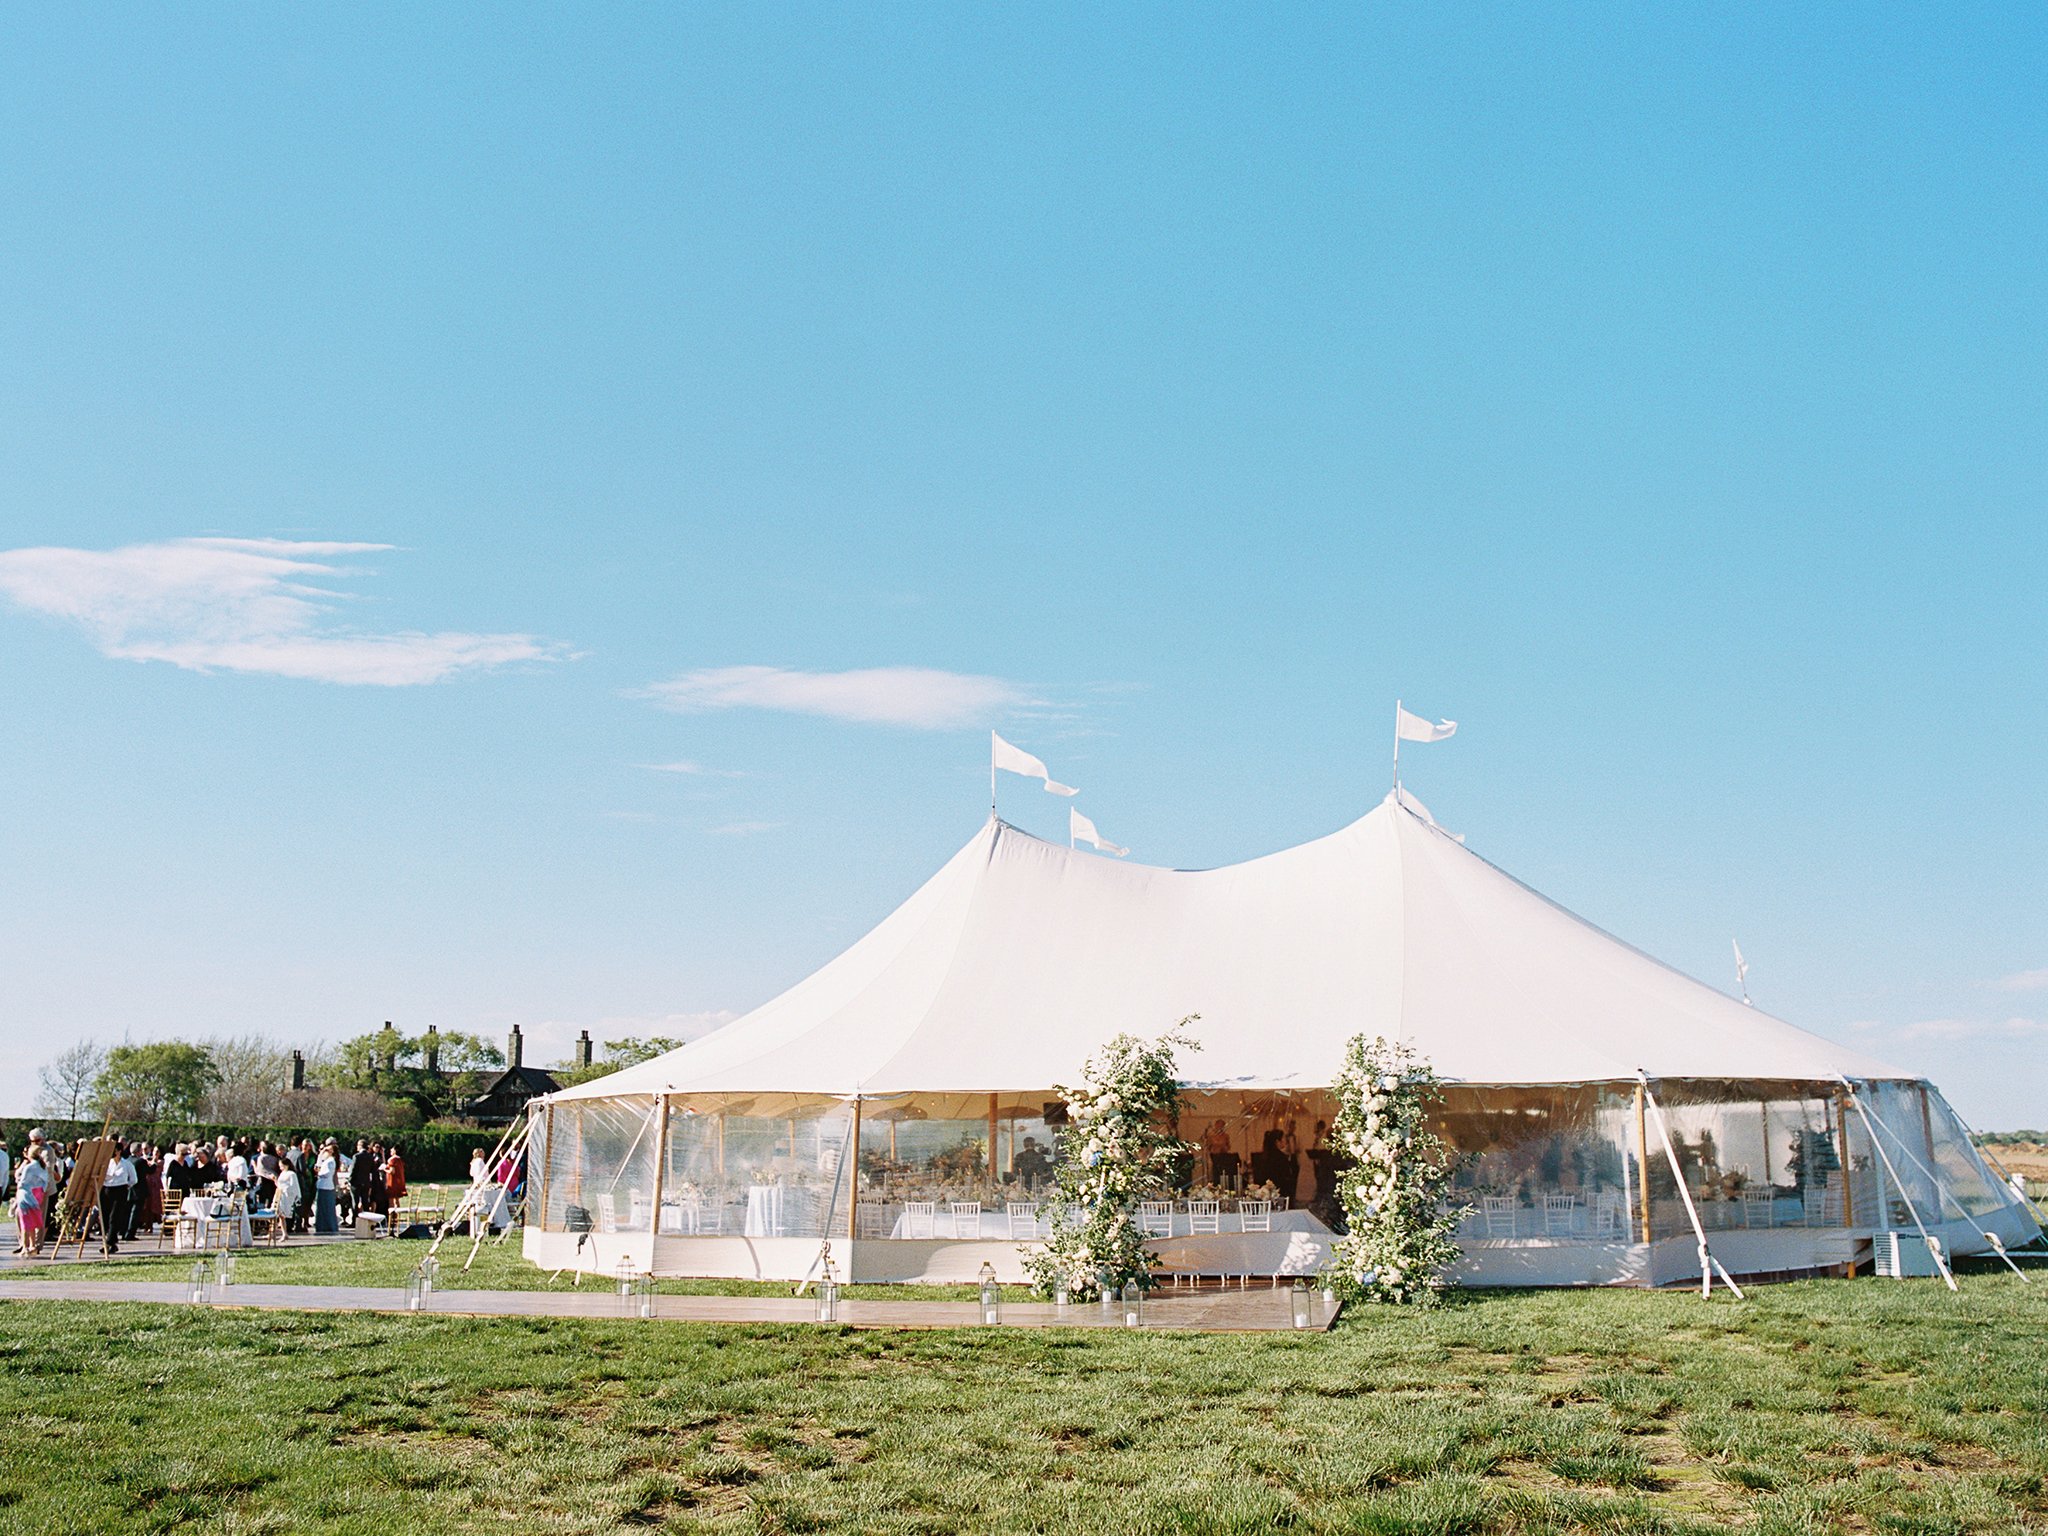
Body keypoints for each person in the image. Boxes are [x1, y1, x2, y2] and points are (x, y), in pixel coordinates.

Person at [99, 1141, 138, 1254]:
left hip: (120, 1191)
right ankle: (110, 1239)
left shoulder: (126, 1164)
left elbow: (134, 1179)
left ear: (119, 1151)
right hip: (107, 1190)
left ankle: (109, 1242)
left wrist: (126, 1185)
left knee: (114, 1217)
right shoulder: (107, 1163)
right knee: (105, 1216)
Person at [12, 1149, 50, 1256]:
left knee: (24, 1223)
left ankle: (25, 1246)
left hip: (25, 1195)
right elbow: (45, 1182)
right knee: (32, 1223)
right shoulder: (42, 1167)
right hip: (36, 1196)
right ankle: (33, 1245)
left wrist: (18, 1180)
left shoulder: (29, 1167)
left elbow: (22, 1182)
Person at [1249, 1129, 1292, 1193]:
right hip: (1278, 1191)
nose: (1286, 1142)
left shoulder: (1262, 1156)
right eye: (1284, 1139)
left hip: (1263, 1191)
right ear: (1277, 1141)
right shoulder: (1281, 1157)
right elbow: (1285, 1177)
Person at [313, 1140, 339, 1234]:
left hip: (326, 1186)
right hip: (322, 1186)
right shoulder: (326, 1160)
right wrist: (321, 1154)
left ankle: (329, 1226)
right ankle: (321, 1226)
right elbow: (318, 1164)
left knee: (327, 1207)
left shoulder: (331, 1161)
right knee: (321, 1207)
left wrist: (319, 1173)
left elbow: (327, 1173)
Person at [383, 1145, 407, 1212]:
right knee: (397, 1200)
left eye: (392, 1149)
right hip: (399, 1182)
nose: (391, 1150)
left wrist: (384, 1170)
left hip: (392, 1182)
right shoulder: (400, 1159)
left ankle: (392, 1216)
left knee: (391, 1201)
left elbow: (392, 1171)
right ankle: (397, 1215)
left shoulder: (392, 1160)